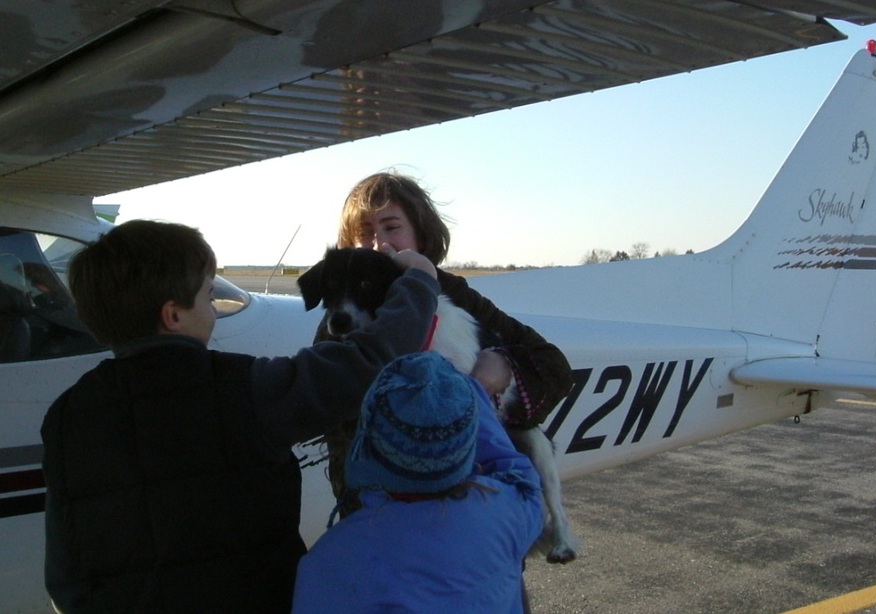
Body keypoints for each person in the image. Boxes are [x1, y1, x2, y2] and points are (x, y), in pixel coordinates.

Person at [40, 219, 440, 613]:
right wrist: (419, 281)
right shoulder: (247, 390)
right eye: (208, 296)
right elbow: (370, 360)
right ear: (173, 316)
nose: (213, 308)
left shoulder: (64, 419)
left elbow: (65, 577)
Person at [323, 171, 575, 517]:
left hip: (474, 509)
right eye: (364, 233)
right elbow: (338, 425)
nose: (379, 244)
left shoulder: (455, 295)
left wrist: (502, 370)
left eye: (391, 227)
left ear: (421, 236)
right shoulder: (343, 317)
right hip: (382, 510)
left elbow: (554, 367)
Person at [291, 351, 544, 613]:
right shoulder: (512, 511)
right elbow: (514, 468)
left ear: (370, 445)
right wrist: (474, 389)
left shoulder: (330, 561)